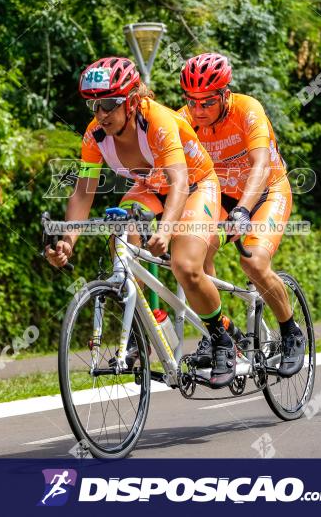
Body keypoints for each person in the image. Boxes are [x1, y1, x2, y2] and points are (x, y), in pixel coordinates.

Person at [45, 57, 238, 387]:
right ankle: (150, 325)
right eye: (94, 106)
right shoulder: (95, 136)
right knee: (121, 238)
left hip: (193, 185)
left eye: (109, 104)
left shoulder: (157, 121)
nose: (101, 114)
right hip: (151, 188)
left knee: (186, 265)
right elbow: (82, 193)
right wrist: (67, 241)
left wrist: (165, 230)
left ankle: (222, 337)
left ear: (132, 100)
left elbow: (179, 182)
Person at [177, 53, 305, 378]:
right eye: (191, 102)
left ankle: (291, 332)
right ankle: (219, 331)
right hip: (221, 196)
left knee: (253, 263)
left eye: (206, 102)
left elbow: (260, 166)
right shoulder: (183, 120)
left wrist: (245, 210)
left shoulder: (248, 110)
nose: (198, 110)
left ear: (224, 95)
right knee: (194, 254)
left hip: (265, 191)